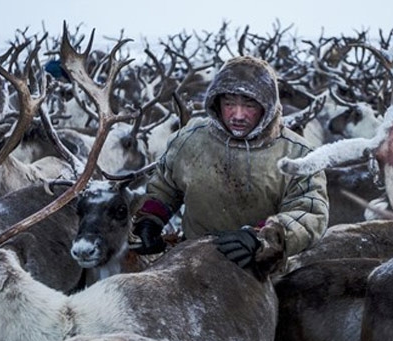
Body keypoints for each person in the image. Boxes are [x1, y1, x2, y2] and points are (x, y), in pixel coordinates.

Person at [132, 55, 329, 277]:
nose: (238, 115)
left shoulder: (298, 154)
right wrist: (150, 220)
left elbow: (309, 213)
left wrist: (261, 238)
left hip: (263, 272)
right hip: (191, 264)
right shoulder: (189, 140)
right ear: (216, 103)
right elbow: (164, 188)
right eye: (229, 104)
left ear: (268, 106)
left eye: (249, 105)